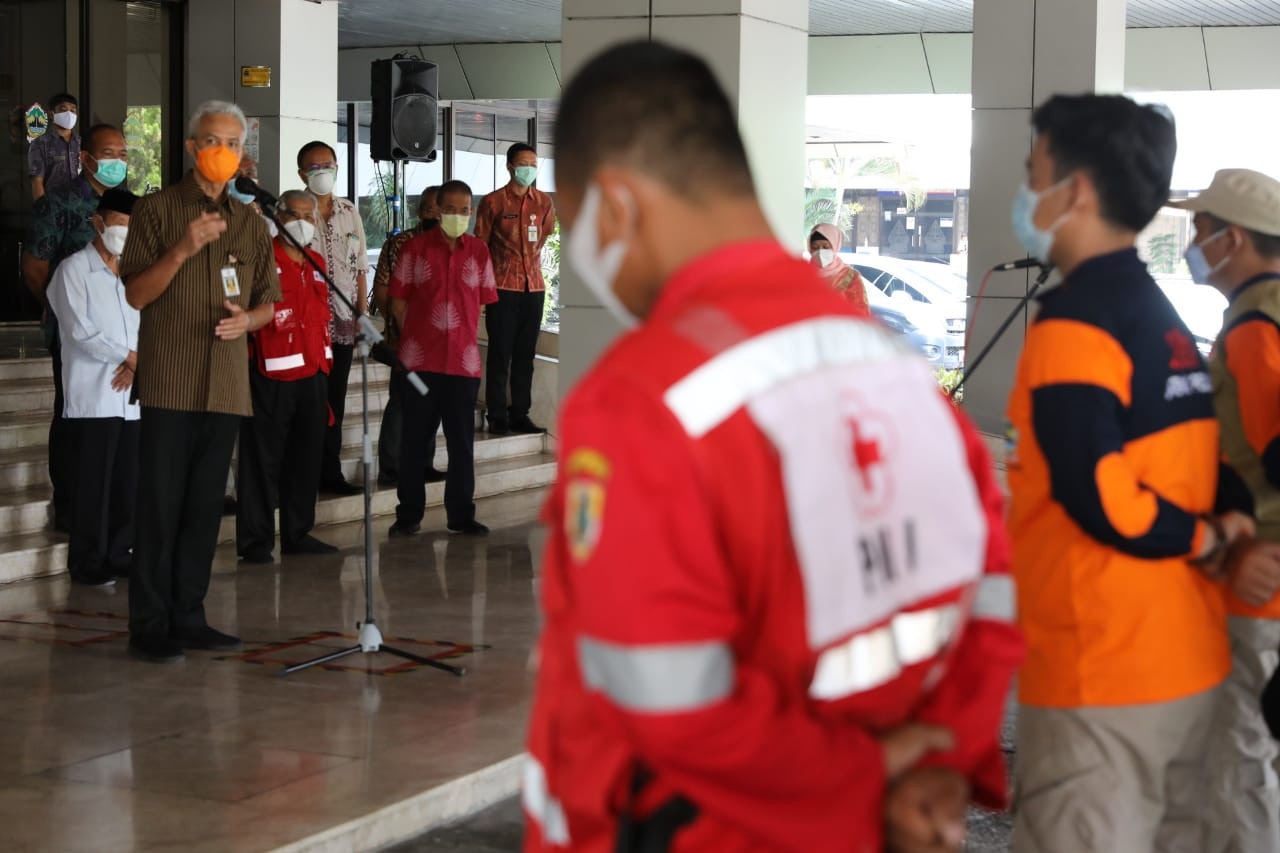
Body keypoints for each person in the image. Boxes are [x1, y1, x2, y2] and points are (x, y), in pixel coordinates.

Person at [525, 41, 1023, 852]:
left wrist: (858, 779)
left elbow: (659, 694)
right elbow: (988, 595)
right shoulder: (895, 370)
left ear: (614, 204)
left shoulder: (647, 394)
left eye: (573, 222)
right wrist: (933, 763)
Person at [1003, 94, 1253, 852]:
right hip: (1184, 658)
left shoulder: (1074, 322)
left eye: (1030, 171)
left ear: (1073, 192)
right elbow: (1211, 466)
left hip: (1097, 677)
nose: (1023, 189)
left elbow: (1099, 495)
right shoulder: (1161, 319)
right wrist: (1222, 528)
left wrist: (1202, 532)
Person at [121, 100, 280, 664]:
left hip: (226, 386)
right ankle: (149, 624)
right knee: (160, 506)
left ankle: (189, 614)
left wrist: (248, 321)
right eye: (213, 140)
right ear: (192, 147)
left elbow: (268, 303)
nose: (224, 152)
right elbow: (136, 293)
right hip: (170, 381)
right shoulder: (157, 210)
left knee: (204, 509)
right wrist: (184, 247)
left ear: (243, 155)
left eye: (234, 144)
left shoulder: (250, 222)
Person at [1171, 168, 1280, 853]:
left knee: (1240, 757)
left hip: (1257, 580)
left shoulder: (1254, 326)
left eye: (1200, 230)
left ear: (1231, 238)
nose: (1192, 241)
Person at [22, 122, 129, 532]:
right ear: (85, 158)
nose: (117, 162)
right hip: (75, 334)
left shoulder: (128, 204)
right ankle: (68, 502)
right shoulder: (58, 204)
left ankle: (111, 505)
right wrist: (64, 314)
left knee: (115, 422)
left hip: (122, 334)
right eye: (108, 153)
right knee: (73, 415)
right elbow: (35, 269)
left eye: (122, 154)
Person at [388, 179, 497, 538]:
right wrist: (415, 338)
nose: (457, 215)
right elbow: (398, 301)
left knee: (461, 443)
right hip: (420, 362)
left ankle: (461, 515)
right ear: (437, 208)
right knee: (415, 441)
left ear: (471, 211)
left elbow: (481, 301)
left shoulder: (479, 251)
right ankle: (408, 514)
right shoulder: (414, 249)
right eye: (450, 208)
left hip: (463, 364)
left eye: (464, 209)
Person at [236, 189, 337, 564]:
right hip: (270, 374)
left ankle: (298, 532)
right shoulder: (261, 258)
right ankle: (255, 541)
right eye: (293, 214)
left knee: (306, 458)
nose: (302, 222)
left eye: (309, 217)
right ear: (277, 217)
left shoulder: (315, 260)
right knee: (262, 461)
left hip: (313, 373)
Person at [45, 188, 140, 587]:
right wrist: (129, 356)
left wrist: (138, 362)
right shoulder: (73, 270)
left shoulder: (133, 274)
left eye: (129, 229)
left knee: (125, 483)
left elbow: (145, 326)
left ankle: (119, 554)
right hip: (93, 395)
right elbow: (80, 331)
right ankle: (86, 563)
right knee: (92, 487)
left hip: (131, 397)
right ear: (97, 223)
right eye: (118, 225)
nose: (123, 234)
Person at [298, 140, 368, 496]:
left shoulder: (348, 210)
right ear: (301, 174)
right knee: (307, 403)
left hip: (341, 323)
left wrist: (362, 312)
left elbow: (359, 266)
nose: (323, 171)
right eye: (314, 167)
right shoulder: (292, 210)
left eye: (328, 164)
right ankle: (301, 476)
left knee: (334, 402)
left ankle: (331, 472)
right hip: (306, 326)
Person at [475, 142, 556, 435]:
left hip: (533, 287)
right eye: (524, 164)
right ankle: (497, 416)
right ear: (509, 166)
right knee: (500, 354)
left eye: (534, 164)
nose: (529, 170)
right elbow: (480, 246)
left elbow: (544, 236)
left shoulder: (544, 202)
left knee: (525, 355)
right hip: (502, 287)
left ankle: (520, 412)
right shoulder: (493, 201)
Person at [373, 186, 444, 488]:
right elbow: (383, 291)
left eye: (442, 209)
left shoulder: (455, 246)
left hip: (442, 342)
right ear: (419, 211)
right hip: (406, 339)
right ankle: (390, 468)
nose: (436, 214)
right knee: (402, 403)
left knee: (432, 403)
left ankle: (424, 463)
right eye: (430, 208)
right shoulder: (399, 243)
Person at [809, 223, 870, 316]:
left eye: (825, 247)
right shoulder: (803, 274)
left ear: (835, 246)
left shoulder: (851, 277)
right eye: (815, 247)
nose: (820, 251)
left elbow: (861, 314)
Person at [28, 93, 80, 200]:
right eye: (64, 109)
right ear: (52, 114)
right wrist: (43, 210)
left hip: (81, 206)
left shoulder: (82, 143)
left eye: (73, 110)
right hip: (54, 207)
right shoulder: (40, 143)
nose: (69, 114)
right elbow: (37, 181)